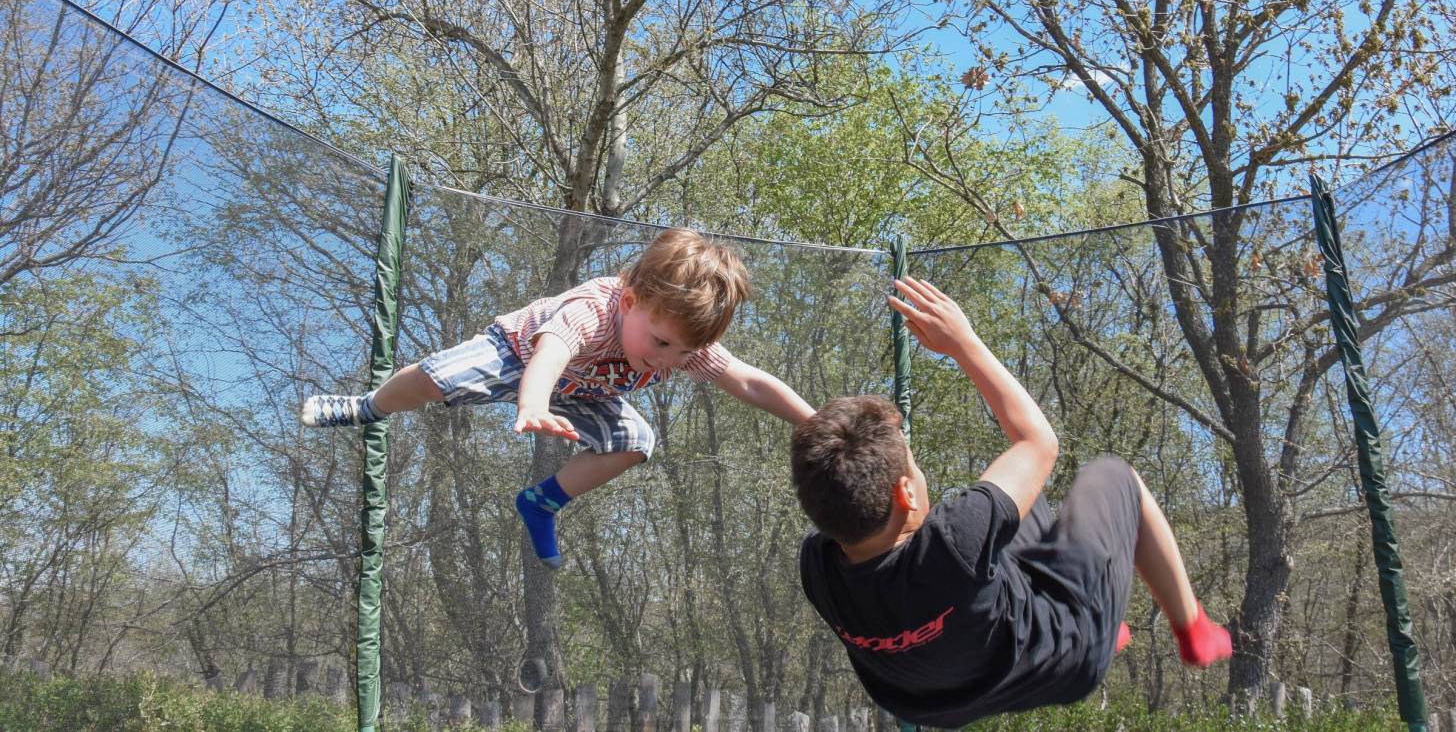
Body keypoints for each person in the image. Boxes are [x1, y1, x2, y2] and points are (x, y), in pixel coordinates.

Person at [791, 276, 1231, 726]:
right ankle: (1193, 628)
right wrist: (963, 343)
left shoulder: (818, 566)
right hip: (1067, 661)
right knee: (1113, 477)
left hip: (929, 702)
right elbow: (1038, 441)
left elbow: (836, 480)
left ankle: (1089, 603)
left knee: (1021, 506)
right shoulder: (955, 541)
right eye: (914, 465)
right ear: (905, 494)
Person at [303, 227, 815, 568]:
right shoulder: (593, 310)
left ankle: (541, 501)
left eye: (683, 353)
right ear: (631, 302)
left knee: (637, 439)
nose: (665, 361)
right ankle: (367, 406)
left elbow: (749, 380)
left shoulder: (679, 347)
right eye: (659, 343)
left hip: (584, 391)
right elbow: (552, 350)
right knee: (437, 377)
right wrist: (533, 403)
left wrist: (812, 422)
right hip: (519, 357)